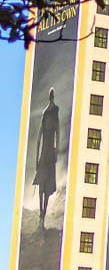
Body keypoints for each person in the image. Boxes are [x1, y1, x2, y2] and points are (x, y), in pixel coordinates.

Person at [33, 87, 59, 220]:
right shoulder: (55, 112)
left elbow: (38, 140)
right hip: (51, 153)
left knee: (41, 182)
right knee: (48, 184)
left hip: (43, 153)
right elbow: (58, 134)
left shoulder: (44, 113)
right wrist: (57, 153)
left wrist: (36, 160)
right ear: (54, 96)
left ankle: (41, 211)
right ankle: (43, 213)